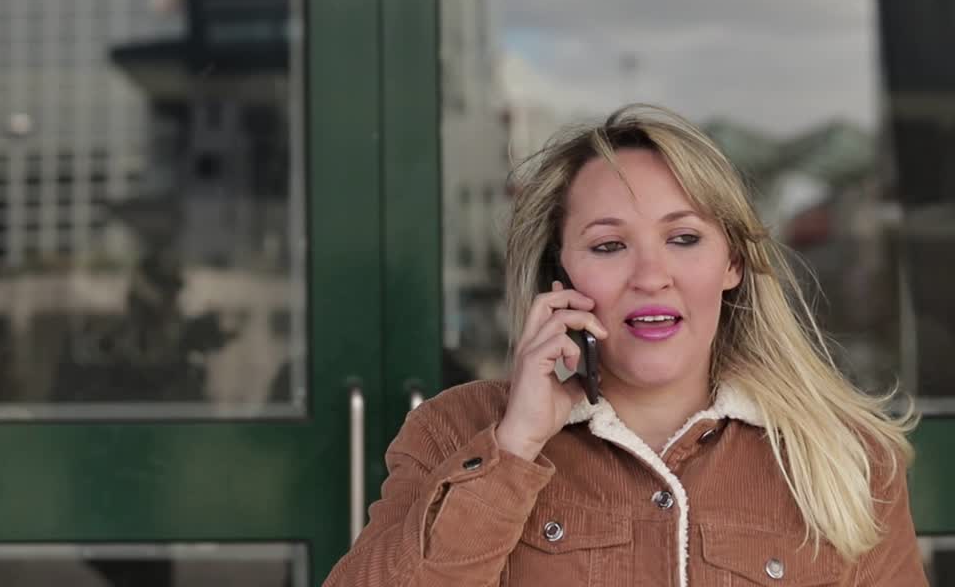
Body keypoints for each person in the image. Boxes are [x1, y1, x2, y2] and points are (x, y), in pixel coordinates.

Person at [323, 104, 926, 586]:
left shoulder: (847, 459)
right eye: (609, 246)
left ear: (733, 264)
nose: (650, 275)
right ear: (560, 276)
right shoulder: (454, 431)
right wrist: (514, 447)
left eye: (684, 238)